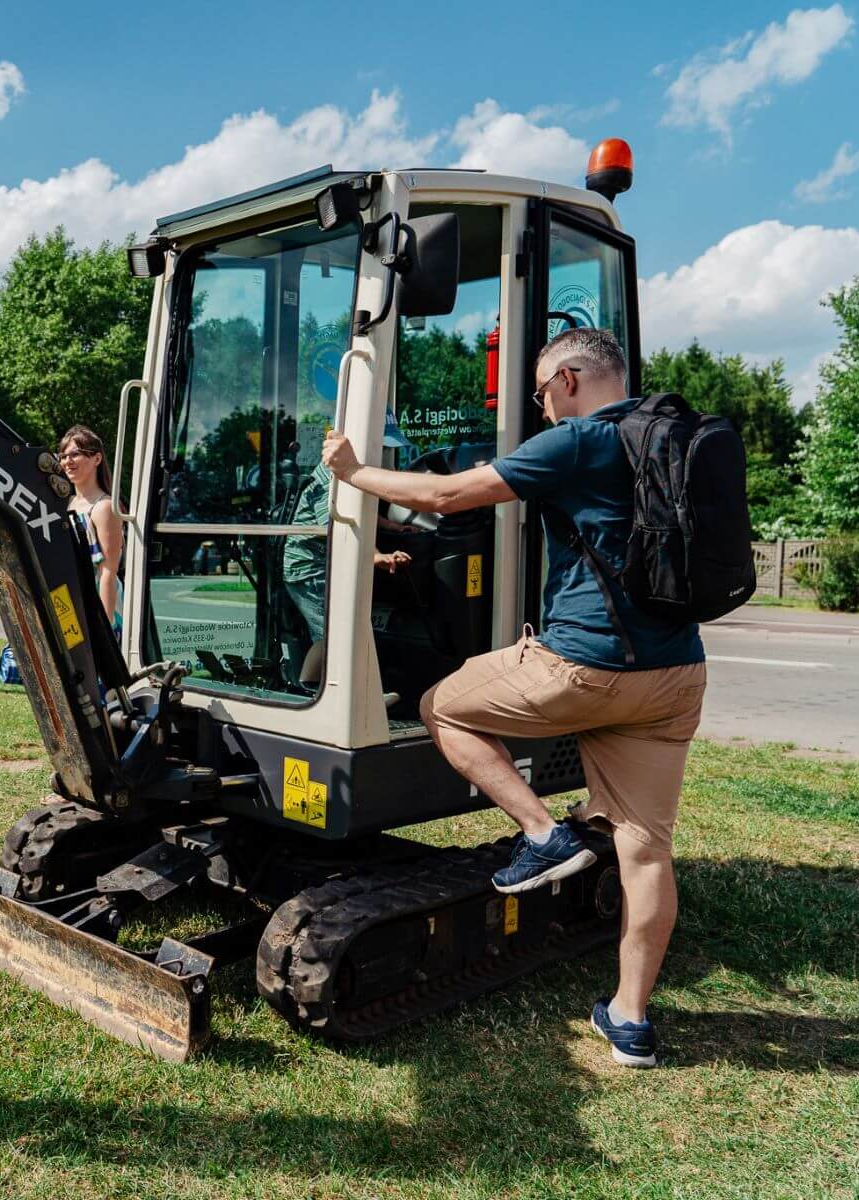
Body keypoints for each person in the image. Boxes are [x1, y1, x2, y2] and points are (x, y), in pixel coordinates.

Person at [319, 328, 704, 1069]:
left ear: (568, 379)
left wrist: (356, 471)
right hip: (674, 676)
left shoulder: (582, 440)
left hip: (584, 667)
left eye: (536, 392)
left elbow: (448, 494)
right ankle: (630, 1021)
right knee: (647, 848)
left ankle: (542, 837)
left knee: (441, 705)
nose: (540, 407)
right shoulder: (671, 439)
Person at [282, 422, 411, 687]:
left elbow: (358, 512)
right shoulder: (333, 477)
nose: (386, 457)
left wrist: (394, 526)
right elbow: (337, 525)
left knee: (340, 630)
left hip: (317, 566)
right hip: (309, 569)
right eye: (383, 449)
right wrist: (375, 556)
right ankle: (314, 691)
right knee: (332, 634)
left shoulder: (344, 470)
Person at [57, 425, 123, 636]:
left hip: (98, 606)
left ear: (96, 459)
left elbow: (108, 572)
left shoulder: (104, 507)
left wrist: (104, 628)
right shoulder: (67, 504)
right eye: (63, 456)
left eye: (75, 454)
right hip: (73, 601)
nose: (67, 461)